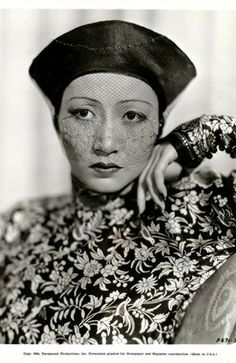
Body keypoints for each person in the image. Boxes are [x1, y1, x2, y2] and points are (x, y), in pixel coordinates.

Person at [0, 20, 235, 344]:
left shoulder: (202, 210)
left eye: (132, 116)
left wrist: (203, 133)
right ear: (57, 123)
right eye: (83, 113)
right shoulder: (20, 226)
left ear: (159, 127)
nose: (106, 143)